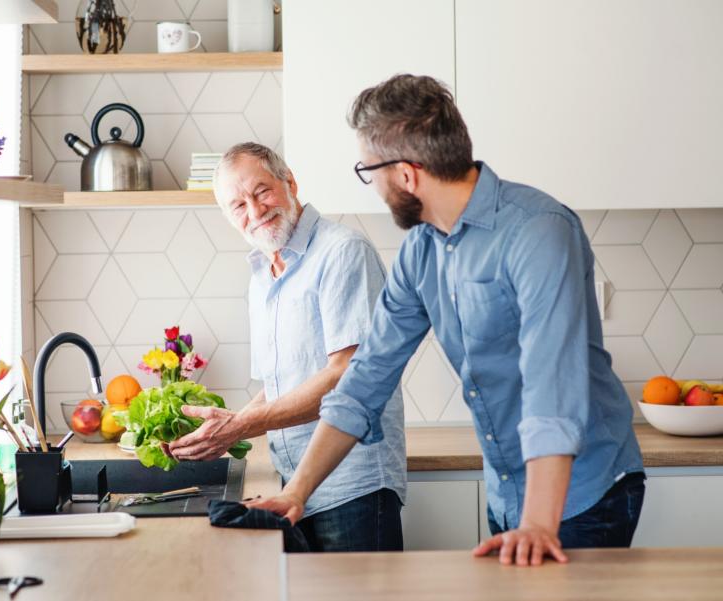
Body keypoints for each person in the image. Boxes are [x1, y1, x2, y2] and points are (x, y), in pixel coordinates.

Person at [247, 74, 646, 567]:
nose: (373, 187)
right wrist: (297, 493)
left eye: (368, 172)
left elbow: (552, 388)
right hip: (508, 490)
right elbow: (366, 377)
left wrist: (539, 522)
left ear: (407, 175)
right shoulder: (422, 249)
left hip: (583, 492)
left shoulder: (538, 232)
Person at [165, 142, 407, 552]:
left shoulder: (342, 252)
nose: (255, 211)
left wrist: (242, 426)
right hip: (293, 487)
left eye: (262, 192)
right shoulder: (262, 274)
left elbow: (347, 377)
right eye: (238, 205)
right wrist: (228, 428)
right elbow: (280, 383)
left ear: (290, 182)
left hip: (351, 487)